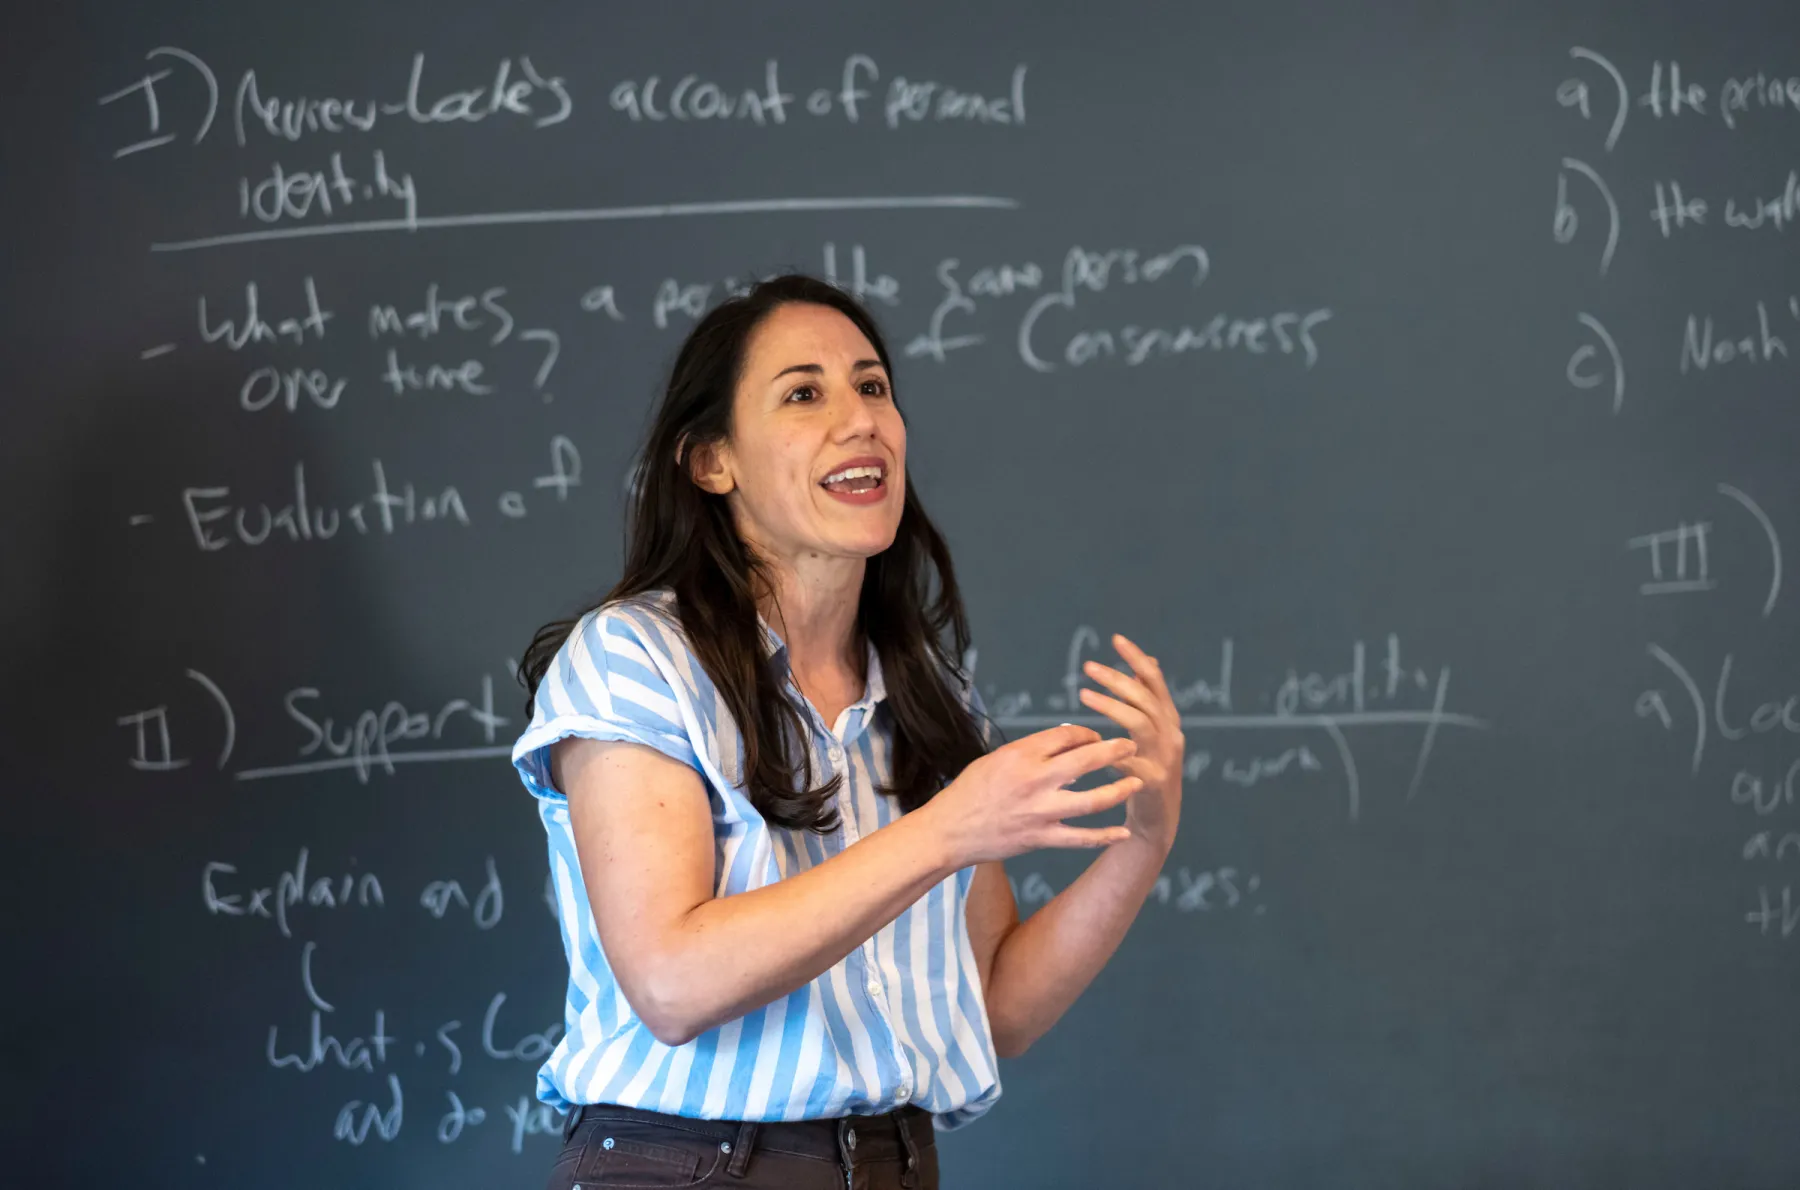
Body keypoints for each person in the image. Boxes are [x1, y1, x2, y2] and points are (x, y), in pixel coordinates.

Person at [512, 274, 1185, 1189]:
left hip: (892, 1166)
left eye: (873, 386)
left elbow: (993, 1009)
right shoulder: (634, 657)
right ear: (712, 462)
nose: (861, 418)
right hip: (688, 1169)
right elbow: (672, 982)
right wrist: (947, 830)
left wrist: (1143, 842)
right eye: (803, 393)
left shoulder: (924, 688)